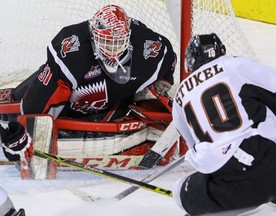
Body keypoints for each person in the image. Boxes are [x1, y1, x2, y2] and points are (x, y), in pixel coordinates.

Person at [0, 4, 176, 167]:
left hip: (110, 104)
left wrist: (162, 85)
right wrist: (25, 130)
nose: (112, 50)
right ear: (93, 36)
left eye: (117, 42)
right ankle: (15, 101)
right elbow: (42, 94)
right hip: (69, 101)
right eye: (105, 41)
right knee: (23, 102)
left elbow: (169, 61)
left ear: (128, 38)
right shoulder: (72, 50)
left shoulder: (149, 48)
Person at [172, 33, 276, 215]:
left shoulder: (179, 97)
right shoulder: (234, 65)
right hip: (272, 166)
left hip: (227, 186)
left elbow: (195, 146)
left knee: (180, 191)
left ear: (191, 62)